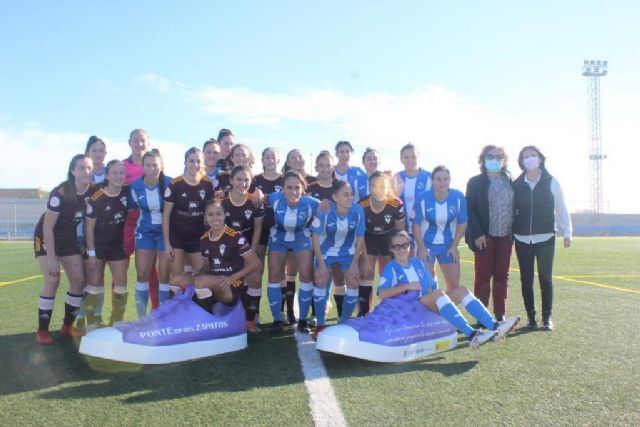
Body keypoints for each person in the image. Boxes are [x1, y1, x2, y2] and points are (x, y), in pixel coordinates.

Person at [378, 230, 520, 349]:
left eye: (404, 245)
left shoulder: (417, 263)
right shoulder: (391, 268)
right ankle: (472, 335)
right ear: (391, 249)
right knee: (439, 294)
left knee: (461, 291)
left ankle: (495, 325)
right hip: (411, 309)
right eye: (397, 247)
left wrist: (440, 297)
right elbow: (381, 293)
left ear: (409, 246)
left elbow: (432, 286)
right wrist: (407, 286)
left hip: (428, 304)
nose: (401, 249)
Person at [33, 154, 94, 344]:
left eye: (89, 168)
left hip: (68, 238)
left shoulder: (93, 192)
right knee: (52, 279)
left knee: (78, 280)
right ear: (73, 171)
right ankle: (42, 330)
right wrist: (52, 259)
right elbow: (47, 227)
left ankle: (67, 326)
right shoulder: (60, 193)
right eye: (82, 168)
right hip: (46, 236)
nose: (86, 172)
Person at [513, 146, 572, 331]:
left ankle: (547, 318)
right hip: (522, 238)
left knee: (545, 278)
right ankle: (531, 318)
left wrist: (568, 231)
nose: (529, 159)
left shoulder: (551, 181)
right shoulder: (517, 183)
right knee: (526, 279)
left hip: (546, 237)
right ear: (521, 162)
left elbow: (562, 208)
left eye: (533, 155)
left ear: (540, 158)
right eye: (525, 157)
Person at [171, 199, 259, 316]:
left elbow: (254, 264)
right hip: (211, 281)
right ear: (205, 218)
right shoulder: (204, 239)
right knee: (175, 280)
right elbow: (208, 265)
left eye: (219, 214)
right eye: (210, 215)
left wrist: (231, 278)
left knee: (201, 282)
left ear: (225, 215)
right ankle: (179, 319)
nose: (215, 218)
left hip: (231, 285)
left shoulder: (236, 237)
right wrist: (198, 271)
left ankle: (207, 323)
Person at [266, 171, 320, 332]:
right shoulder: (274, 198)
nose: (293, 191)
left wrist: (316, 223)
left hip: (301, 237)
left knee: (306, 275)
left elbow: (329, 208)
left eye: (297, 187)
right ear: (282, 188)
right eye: (289, 187)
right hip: (279, 238)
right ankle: (277, 320)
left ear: (303, 188)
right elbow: (255, 198)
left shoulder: (311, 202)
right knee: (274, 276)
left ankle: (302, 320)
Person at [310, 180, 366, 334]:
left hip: (347, 253)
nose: (350, 198)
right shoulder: (325, 209)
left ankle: (343, 323)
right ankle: (320, 324)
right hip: (325, 252)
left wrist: (354, 264)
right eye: (345, 195)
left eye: (351, 195)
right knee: (321, 280)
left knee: (354, 282)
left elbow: (360, 239)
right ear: (335, 197)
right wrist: (321, 265)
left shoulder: (358, 210)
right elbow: (315, 238)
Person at [465, 145, 514, 322]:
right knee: (483, 275)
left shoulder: (510, 180)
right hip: (484, 237)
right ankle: (482, 315)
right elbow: (470, 209)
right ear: (483, 159)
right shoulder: (475, 182)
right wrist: (478, 233)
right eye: (490, 156)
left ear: (504, 160)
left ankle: (500, 315)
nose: (495, 159)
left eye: (499, 156)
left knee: (502, 276)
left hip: (506, 236)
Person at [84, 160, 129, 328]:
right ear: (108, 175)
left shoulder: (126, 192)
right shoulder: (97, 198)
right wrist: (92, 254)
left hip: (116, 245)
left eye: (121, 173)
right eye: (114, 172)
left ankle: (117, 320)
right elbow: (89, 229)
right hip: (98, 247)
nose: (118, 176)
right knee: (94, 281)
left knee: (121, 281)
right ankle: (91, 323)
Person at [129, 149, 173, 317]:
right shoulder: (135, 186)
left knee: (164, 275)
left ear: (161, 166)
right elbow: (131, 212)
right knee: (142, 274)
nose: (152, 168)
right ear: (143, 167)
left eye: (155, 164)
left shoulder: (170, 183)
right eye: (148, 165)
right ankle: (142, 318)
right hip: (145, 233)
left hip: (165, 234)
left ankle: (163, 316)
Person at [222, 165, 265, 333]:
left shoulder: (254, 202)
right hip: (227, 251)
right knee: (225, 280)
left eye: (247, 179)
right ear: (231, 181)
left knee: (254, 275)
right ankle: (227, 317)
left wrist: (253, 253)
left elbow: (258, 229)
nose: (243, 183)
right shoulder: (222, 202)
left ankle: (250, 321)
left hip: (248, 249)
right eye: (239, 179)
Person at [358, 171, 405, 316]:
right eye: (373, 185)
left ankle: (387, 311)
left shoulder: (396, 203)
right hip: (369, 239)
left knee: (387, 276)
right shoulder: (361, 205)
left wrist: (396, 257)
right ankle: (364, 313)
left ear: (387, 187)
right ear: (369, 186)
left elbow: (399, 233)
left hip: (388, 239)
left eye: (382, 186)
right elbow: (360, 236)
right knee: (365, 273)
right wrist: (365, 259)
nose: (377, 189)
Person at [122, 129, 160, 309]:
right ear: (129, 142)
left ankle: (156, 310)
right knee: (120, 269)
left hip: (150, 226)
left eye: (143, 140)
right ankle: (117, 314)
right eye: (135, 140)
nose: (139, 144)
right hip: (127, 224)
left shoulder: (155, 164)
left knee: (153, 272)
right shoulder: (122, 166)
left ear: (149, 142)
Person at [413, 166, 467, 292]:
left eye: (445, 179)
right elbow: (415, 225)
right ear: (432, 181)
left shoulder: (458, 197)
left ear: (450, 180)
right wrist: (421, 249)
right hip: (426, 245)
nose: (442, 182)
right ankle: (430, 310)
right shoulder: (423, 198)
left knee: (454, 286)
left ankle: (446, 311)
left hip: (448, 246)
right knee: (425, 286)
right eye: (438, 179)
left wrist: (454, 247)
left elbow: (462, 223)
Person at [162, 147, 215, 276]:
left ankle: (192, 296)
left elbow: (210, 214)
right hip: (177, 237)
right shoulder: (175, 184)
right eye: (191, 161)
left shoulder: (207, 183)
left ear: (202, 164)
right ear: (185, 162)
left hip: (197, 237)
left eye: (198, 161)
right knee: (177, 279)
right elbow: (166, 216)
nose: (195, 165)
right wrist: (167, 244)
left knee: (202, 276)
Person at [279, 149, 317, 324]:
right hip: (281, 236)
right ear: (287, 161)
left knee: (309, 274)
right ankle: (286, 312)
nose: (297, 160)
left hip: (308, 236)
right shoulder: (279, 181)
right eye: (293, 157)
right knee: (288, 273)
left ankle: (313, 313)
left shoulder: (314, 180)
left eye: (300, 156)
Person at [252, 147, 283, 324]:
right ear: (262, 160)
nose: (270, 159)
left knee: (279, 273)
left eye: (274, 156)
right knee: (257, 271)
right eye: (267, 157)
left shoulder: (284, 179)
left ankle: (280, 313)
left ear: (278, 160)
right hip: (261, 229)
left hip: (281, 230)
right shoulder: (255, 180)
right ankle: (254, 314)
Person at [391, 143, 432, 252]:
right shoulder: (397, 178)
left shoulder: (429, 177)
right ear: (401, 159)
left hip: (426, 228)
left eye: (413, 156)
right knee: (406, 264)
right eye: (406, 157)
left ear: (419, 157)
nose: (410, 160)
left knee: (425, 265)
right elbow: (392, 203)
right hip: (404, 229)